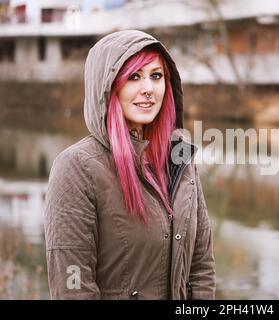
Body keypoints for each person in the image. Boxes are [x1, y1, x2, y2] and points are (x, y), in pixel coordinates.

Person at [44, 30, 215, 300]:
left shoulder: (181, 158)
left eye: (156, 76)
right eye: (134, 76)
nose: (148, 88)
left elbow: (201, 266)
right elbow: (73, 286)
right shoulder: (77, 168)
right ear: (108, 86)